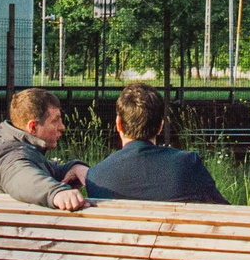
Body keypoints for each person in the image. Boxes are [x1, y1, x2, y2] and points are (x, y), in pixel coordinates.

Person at [83, 84, 226, 204]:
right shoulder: (189, 165)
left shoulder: (95, 176)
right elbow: (221, 210)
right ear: (160, 126)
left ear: (118, 124)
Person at [0, 87, 89, 211]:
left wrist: (74, 168)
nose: (62, 127)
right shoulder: (9, 155)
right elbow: (23, 178)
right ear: (33, 127)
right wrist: (57, 192)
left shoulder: (14, 147)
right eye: (55, 121)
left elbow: (43, 170)